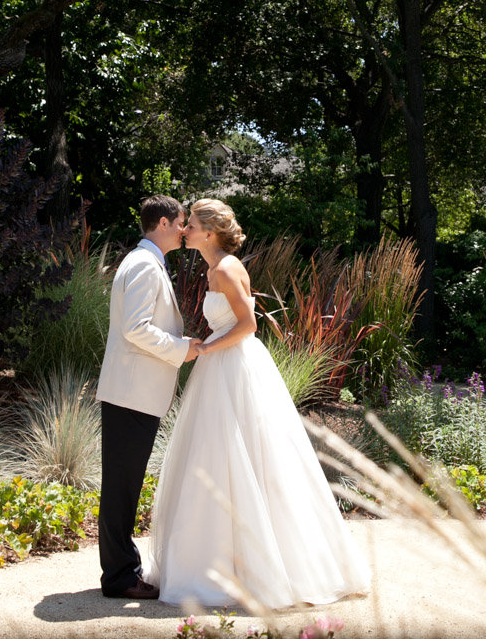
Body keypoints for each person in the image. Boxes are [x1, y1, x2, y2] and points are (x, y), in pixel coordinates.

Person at [146, 198, 370, 610]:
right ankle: (218, 560)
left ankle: (261, 567)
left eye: (191, 224)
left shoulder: (229, 268)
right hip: (218, 368)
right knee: (215, 460)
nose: (185, 229)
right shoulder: (213, 268)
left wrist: (208, 349)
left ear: (209, 232)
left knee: (245, 457)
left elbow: (248, 326)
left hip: (233, 367)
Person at [96, 193, 199, 600]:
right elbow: (135, 329)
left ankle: (123, 568)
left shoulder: (148, 262)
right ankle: (119, 577)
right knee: (121, 486)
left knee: (123, 484)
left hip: (134, 392)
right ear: (162, 222)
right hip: (131, 394)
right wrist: (181, 348)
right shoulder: (143, 264)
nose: (184, 229)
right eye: (180, 223)